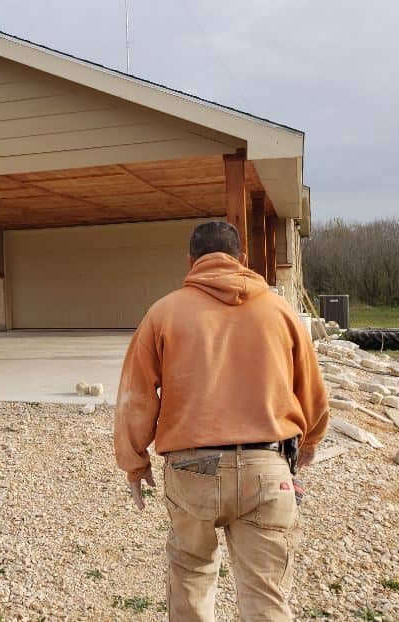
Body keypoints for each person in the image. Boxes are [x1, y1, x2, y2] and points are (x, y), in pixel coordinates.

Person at [113, 220, 328, 622]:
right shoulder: (279, 310)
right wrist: (311, 441)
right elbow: (312, 391)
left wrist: (134, 462)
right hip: (268, 468)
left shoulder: (164, 313)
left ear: (191, 261)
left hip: (191, 469)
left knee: (191, 578)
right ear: (242, 260)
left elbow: (135, 397)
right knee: (266, 596)